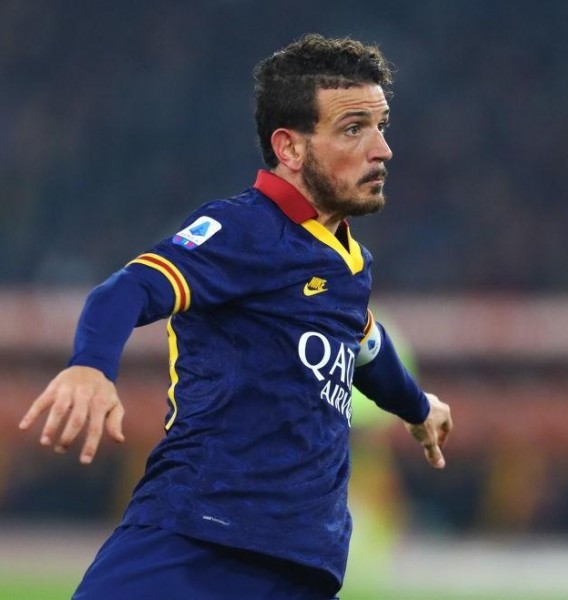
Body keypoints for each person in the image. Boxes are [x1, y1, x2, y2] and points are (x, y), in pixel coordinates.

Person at [18, 33, 452, 600]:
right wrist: (91, 367)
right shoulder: (245, 230)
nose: (382, 149)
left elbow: (363, 343)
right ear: (290, 148)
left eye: (381, 125)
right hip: (200, 539)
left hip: (305, 560)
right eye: (354, 128)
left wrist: (417, 407)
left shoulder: (347, 261)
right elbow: (127, 289)